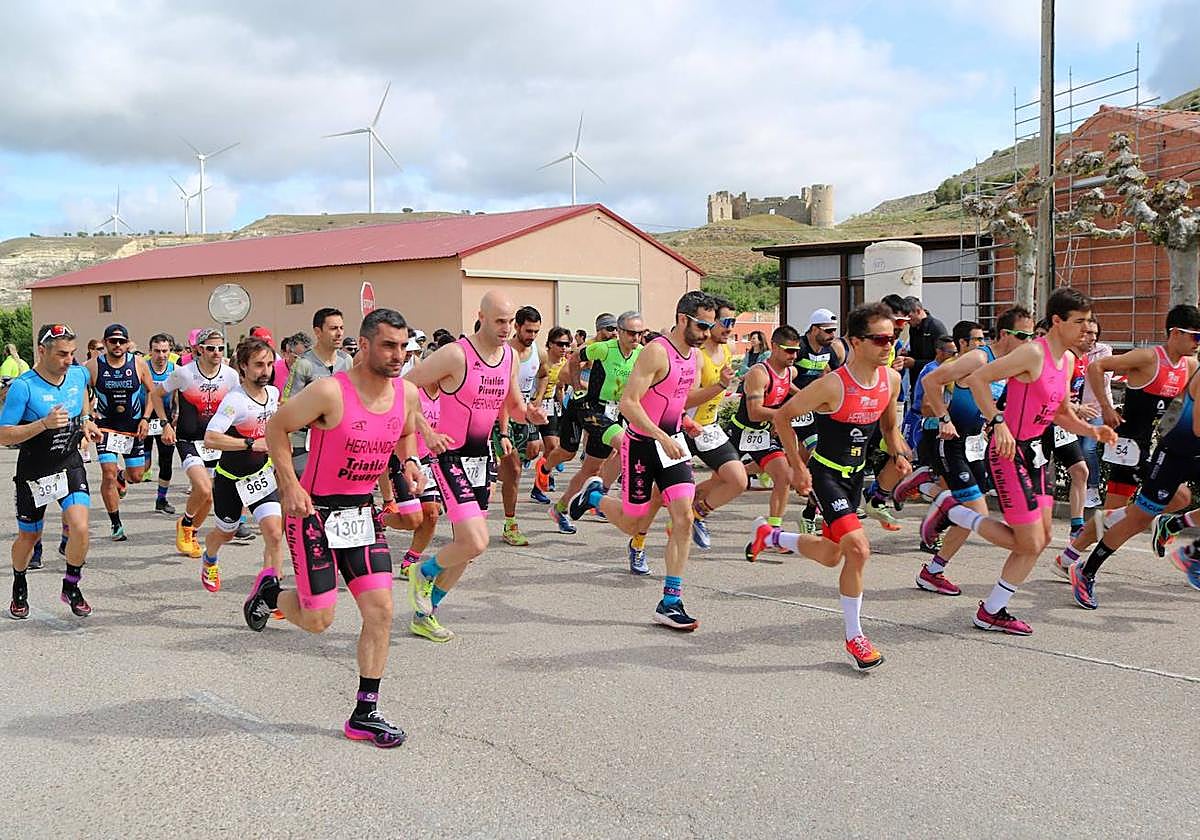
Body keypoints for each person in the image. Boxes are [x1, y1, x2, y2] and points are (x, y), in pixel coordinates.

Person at [244, 308, 424, 748]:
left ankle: (365, 714)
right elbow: (277, 427)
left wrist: (412, 462)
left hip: (361, 515)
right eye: (388, 345)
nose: (398, 355)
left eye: (403, 347)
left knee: (380, 611)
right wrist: (288, 484)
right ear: (363, 346)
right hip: (314, 514)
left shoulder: (408, 394)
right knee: (318, 619)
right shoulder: (329, 392)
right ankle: (271, 594)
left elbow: (403, 434)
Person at [921, 287, 1116, 635]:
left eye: (1089, 323)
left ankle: (992, 610)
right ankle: (953, 509)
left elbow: (1058, 413)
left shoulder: (1069, 360)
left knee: (1039, 542)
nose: (1086, 330)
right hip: (1008, 453)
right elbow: (979, 379)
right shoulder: (1031, 354)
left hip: (1035, 456)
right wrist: (998, 423)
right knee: (1026, 542)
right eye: (1079, 322)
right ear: (1057, 322)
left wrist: (1092, 430)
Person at [755, 302, 909, 670]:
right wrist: (797, 467)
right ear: (856, 342)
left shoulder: (891, 380)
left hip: (856, 477)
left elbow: (888, 427)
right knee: (858, 549)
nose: (889, 345)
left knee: (831, 555)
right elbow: (783, 418)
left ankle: (772, 536)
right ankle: (855, 637)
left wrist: (898, 452)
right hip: (826, 474)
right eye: (880, 338)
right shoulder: (832, 384)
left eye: (893, 337)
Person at [566, 291, 716, 629]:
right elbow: (629, 404)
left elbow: (678, 396)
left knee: (683, 519)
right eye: (702, 325)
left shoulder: (693, 356)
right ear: (683, 320)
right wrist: (661, 435)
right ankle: (593, 497)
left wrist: (700, 406)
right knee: (635, 524)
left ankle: (670, 601)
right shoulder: (655, 352)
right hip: (641, 445)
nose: (707, 333)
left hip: (672, 445)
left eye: (710, 326)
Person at [403, 291, 544, 641]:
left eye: (510, 322)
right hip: (449, 457)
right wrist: (426, 429)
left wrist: (529, 413)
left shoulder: (510, 356)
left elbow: (512, 405)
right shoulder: (454, 354)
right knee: (476, 542)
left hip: (482, 458)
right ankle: (423, 572)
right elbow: (403, 388)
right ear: (479, 315)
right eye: (499, 321)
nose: (506, 328)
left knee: (467, 549)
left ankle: (426, 612)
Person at [1052, 305, 1200, 573]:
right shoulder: (1147, 357)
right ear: (1175, 333)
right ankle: (1070, 559)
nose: (1198, 344)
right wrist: (1107, 408)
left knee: (1172, 500)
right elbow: (1097, 367)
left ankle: (1069, 558)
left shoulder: (1190, 366)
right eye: (1196, 337)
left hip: (1155, 448)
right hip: (1128, 447)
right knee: (1121, 513)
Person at [899, 310, 1034, 594]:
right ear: (1006, 335)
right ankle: (937, 499)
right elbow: (929, 382)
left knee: (973, 514)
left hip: (974, 444)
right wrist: (944, 419)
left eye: (1032, 336)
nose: (1029, 341)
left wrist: (992, 421)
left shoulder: (1010, 365)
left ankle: (933, 571)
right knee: (976, 511)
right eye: (1024, 336)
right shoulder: (979, 358)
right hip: (951, 441)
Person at [1066, 363, 1200, 609]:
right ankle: (1085, 570)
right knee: (1137, 519)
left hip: (1192, 453)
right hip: (1174, 455)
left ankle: (1189, 546)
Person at [2, 323, 101, 619]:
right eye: (61, 354)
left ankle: (71, 585)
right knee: (29, 539)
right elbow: (3, 434)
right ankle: (19, 583)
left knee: (81, 528)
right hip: (35, 471)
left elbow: (82, 392)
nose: (68, 359)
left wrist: (86, 419)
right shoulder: (24, 386)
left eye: (71, 353)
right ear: (41, 351)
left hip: (69, 464)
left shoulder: (78, 373)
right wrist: (42, 424)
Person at [195, 337, 286, 594]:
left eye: (269, 364)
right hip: (230, 479)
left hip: (260, 475)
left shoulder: (273, 393)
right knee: (226, 533)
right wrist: (249, 444)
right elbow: (211, 438)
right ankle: (209, 557)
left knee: (274, 534)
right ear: (243, 367)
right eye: (259, 365)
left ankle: (270, 591)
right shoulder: (234, 401)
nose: (266, 371)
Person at [548, 312, 639, 534]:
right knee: (624, 444)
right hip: (590, 407)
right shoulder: (605, 348)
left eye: (639, 333)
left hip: (615, 411)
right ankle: (609, 497)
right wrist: (578, 385)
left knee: (591, 469)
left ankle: (561, 509)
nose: (635, 337)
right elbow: (575, 357)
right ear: (620, 331)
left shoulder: (641, 353)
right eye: (630, 332)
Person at [157, 327, 240, 558]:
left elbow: (236, 405)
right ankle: (185, 523)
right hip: (188, 440)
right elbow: (156, 394)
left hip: (216, 442)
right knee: (202, 488)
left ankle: (191, 531)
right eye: (211, 348)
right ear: (199, 349)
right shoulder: (184, 373)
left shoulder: (231, 376)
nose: (216, 353)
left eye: (220, 348)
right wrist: (165, 423)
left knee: (209, 497)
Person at [85, 324, 164, 542]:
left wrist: (147, 419)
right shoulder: (93, 366)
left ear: (128, 343)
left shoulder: (138, 363)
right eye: (113, 341)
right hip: (106, 428)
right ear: (105, 342)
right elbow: (80, 389)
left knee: (137, 477)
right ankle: (116, 523)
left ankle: (123, 476)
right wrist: (88, 416)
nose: (117, 345)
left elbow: (153, 393)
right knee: (108, 472)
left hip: (132, 427)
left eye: (121, 341)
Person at [726, 325, 801, 548]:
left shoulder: (791, 372)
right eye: (789, 350)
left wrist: (818, 402)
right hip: (740, 431)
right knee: (723, 480)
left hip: (763, 434)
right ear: (775, 348)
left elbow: (791, 391)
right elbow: (754, 412)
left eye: (796, 351)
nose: (793, 356)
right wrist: (784, 416)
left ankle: (774, 531)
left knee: (783, 475)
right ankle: (693, 510)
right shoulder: (759, 373)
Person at [494, 306, 546, 547]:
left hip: (524, 414)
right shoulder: (505, 353)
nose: (532, 336)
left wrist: (538, 398)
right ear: (516, 326)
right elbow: (504, 396)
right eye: (528, 331)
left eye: (536, 331)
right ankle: (510, 524)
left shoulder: (538, 351)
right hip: (500, 416)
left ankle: (493, 475)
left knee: (532, 452)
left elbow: (544, 374)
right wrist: (504, 431)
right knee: (514, 470)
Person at [282, 308, 354, 475]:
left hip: (337, 437)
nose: (339, 333)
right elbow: (287, 404)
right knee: (307, 490)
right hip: (304, 440)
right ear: (318, 332)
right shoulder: (304, 364)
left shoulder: (346, 360)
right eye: (333, 328)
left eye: (341, 328)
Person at [530, 327, 573, 504]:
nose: (564, 348)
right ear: (549, 344)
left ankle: (539, 485)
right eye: (560, 344)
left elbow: (561, 387)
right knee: (530, 450)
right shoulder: (540, 359)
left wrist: (563, 407)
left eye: (567, 344)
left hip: (550, 406)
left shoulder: (563, 363)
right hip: (531, 405)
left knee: (553, 446)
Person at [1077, 319, 1113, 509]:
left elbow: (1104, 379)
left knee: (1088, 449)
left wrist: (1087, 366)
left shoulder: (1104, 351)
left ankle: (1093, 488)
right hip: (1075, 409)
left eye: (1095, 334)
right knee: (1074, 452)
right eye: (1088, 333)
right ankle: (1079, 488)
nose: (1092, 338)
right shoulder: (1072, 352)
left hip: (1097, 408)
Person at [143, 333, 178, 515]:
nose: (161, 355)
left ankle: (161, 499)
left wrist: (177, 415)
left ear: (170, 351)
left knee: (166, 462)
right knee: (144, 467)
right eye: (157, 351)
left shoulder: (175, 369)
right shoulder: (142, 367)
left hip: (166, 422)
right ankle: (121, 477)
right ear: (150, 352)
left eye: (165, 351)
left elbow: (180, 395)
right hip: (145, 419)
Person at [904, 297, 949, 394]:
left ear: (918, 311)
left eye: (909, 317)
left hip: (933, 382)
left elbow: (944, 359)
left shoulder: (936, 327)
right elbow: (917, 353)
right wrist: (907, 354)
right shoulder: (914, 328)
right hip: (916, 381)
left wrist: (915, 363)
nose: (907, 321)